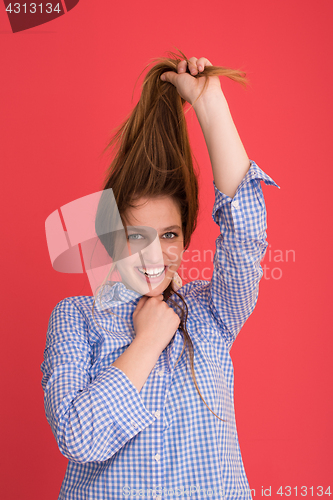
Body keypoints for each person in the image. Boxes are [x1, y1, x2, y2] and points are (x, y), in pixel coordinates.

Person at [41, 51, 279, 500]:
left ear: (186, 235)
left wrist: (210, 105)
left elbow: (245, 233)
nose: (155, 254)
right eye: (135, 236)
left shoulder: (212, 313)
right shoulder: (76, 319)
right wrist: (147, 340)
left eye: (169, 233)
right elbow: (78, 436)